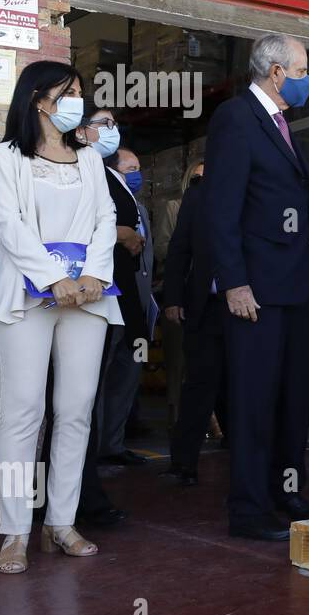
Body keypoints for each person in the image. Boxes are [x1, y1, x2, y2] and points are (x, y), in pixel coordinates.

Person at [0, 61, 121, 574]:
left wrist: (91, 276)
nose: (78, 103)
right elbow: (7, 222)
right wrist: (52, 277)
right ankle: (15, 532)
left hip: (88, 296)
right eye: (70, 93)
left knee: (76, 408)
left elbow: (106, 219)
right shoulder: (6, 156)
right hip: (27, 296)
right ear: (39, 97)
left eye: (82, 93)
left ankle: (60, 523)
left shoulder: (88, 160)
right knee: (23, 412)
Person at [205, 33, 309, 540]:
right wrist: (234, 282)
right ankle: (249, 509)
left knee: (292, 399)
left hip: (292, 289)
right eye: (300, 72)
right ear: (275, 72)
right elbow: (221, 208)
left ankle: (285, 490)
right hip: (255, 291)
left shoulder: (280, 123)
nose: (306, 80)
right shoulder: (236, 118)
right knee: (254, 402)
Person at [161, 165, 227, 485]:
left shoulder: (259, 191)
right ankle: (183, 465)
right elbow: (179, 249)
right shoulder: (196, 196)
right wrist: (172, 298)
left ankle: (246, 458)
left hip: (251, 309)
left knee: (245, 386)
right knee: (198, 386)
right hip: (205, 307)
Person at [97, 144, 153, 466]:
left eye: (138, 169)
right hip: (108, 296)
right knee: (103, 375)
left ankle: (113, 444)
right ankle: (97, 446)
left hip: (137, 302)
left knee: (129, 371)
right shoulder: (102, 191)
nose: (138, 176)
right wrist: (120, 234)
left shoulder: (140, 209)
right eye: (131, 170)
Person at [154, 158, 204, 429]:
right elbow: (162, 248)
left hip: (208, 294)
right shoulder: (173, 207)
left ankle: (208, 422)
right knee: (177, 364)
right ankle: (176, 422)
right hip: (180, 291)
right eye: (197, 179)